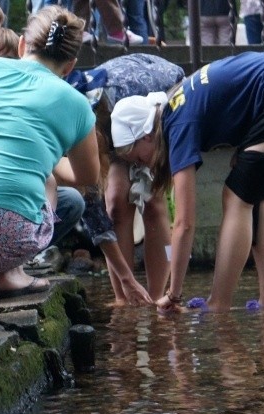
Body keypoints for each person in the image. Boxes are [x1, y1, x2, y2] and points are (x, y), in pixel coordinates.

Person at [110, 52, 264, 312]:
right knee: (255, 194)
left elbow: (185, 224)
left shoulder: (178, 125)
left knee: (236, 196)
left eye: (137, 158)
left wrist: (174, 294)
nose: (140, 166)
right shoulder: (176, 107)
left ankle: (219, 304)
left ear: (147, 136)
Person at [0, 6, 100, 299]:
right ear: (71, 65)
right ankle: (11, 274)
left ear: (23, 44)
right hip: (4, 242)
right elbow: (87, 177)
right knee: (50, 184)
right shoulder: (77, 105)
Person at [68, 54, 184, 303]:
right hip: (108, 127)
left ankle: (154, 298)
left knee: (154, 199)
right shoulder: (77, 126)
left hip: (153, 105)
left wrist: (148, 160)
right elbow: (93, 205)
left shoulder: (137, 97)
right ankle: (125, 297)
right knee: (115, 201)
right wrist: (125, 278)